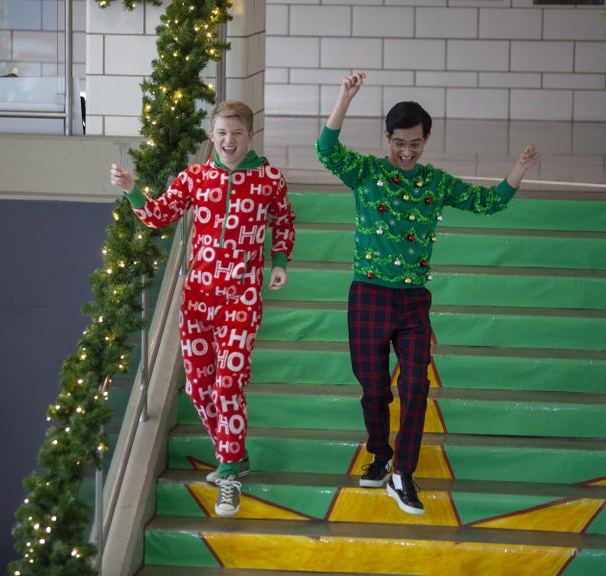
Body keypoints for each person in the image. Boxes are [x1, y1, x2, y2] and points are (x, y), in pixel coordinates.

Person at [315, 73, 541, 516]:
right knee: (374, 389)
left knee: (416, 384)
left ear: (426, 139)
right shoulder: (369, 172)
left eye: (415, 143)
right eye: (400, 142)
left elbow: (487, 202)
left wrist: (519, 169)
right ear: (387, 138)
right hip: (368, 296)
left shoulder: (435, 182)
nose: (406, 151)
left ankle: (404, 473)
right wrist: (344, 98)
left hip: (413, 300)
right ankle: (380, 454)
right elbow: (327, 150)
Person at [110, 100, 296, 518]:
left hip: (242, 295)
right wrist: (131, 189)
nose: (229, 140)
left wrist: (279, 263)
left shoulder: (268, 178)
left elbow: (283, 222)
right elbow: (159, 216)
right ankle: (235, 453)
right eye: (221, 133)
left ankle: (228, 473)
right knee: (198, 388)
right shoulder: (195, 177)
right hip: (196, 297)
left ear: (250, 136)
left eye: (237, 133)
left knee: (228, 384)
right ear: (211, 136)